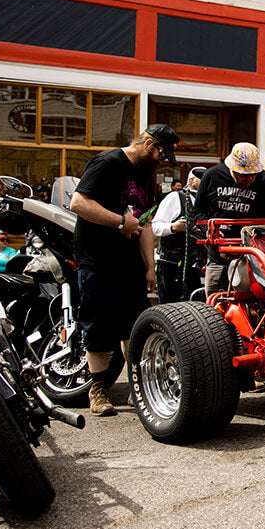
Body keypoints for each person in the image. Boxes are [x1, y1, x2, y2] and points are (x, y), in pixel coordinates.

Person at [70, 123, 178, 416]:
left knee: (135, 325)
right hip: (97, 258)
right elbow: (78, 203)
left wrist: (150, 266)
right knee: (98, 324)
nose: (161, 160)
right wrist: (119, 221)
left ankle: (137, 385)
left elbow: (144, 224)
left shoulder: (146, 175)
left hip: (129, 261)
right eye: (160, 153)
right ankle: (99, 388)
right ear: (148, 144)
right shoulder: (108, 162)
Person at [194, 142, 265, 296]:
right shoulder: (212, 176)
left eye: (252, 174)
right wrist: (208, 229)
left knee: (251, 300)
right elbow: (197, 212)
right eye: (242, 174)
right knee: (214, 300)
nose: (247, 178)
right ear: (232, 168)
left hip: (252, 255)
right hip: (218, 255)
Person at [152, 166, 205, 304]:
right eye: (203, 179)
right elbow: (155, 226)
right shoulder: (175, 198)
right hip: (171, 264)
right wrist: (172, 227)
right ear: (192, 180)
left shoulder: (206, 202)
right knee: (170, 306)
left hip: (195, 265)